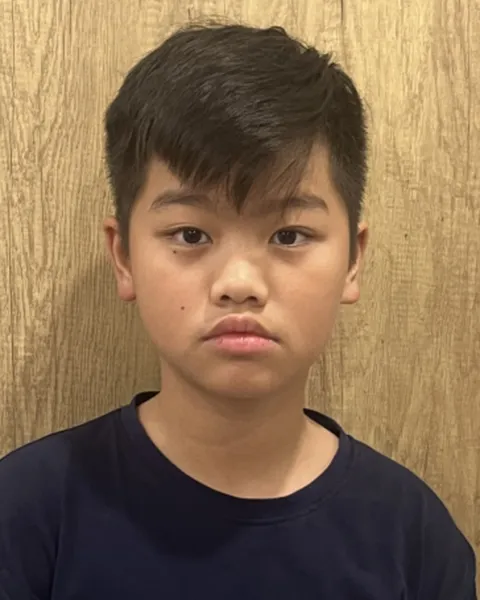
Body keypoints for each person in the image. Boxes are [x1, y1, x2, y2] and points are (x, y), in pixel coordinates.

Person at [0, 21, 476, 600]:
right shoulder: (27, 514)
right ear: (123, 257)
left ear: (353, 260)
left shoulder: (415, 540)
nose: (239, 284)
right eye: (191, 235)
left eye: (289, 235)